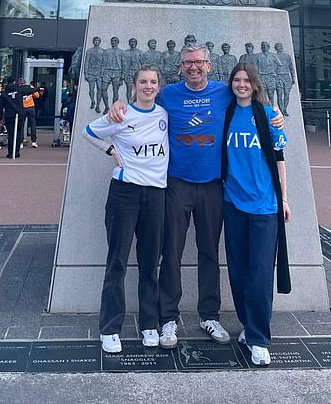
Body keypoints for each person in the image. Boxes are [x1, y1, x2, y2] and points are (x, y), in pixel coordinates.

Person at [109, 43, 284, 349]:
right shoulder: (169, 94)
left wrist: (275, 114)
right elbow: (143, 102)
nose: (193, 67)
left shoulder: (224, 92)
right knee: (171, 252)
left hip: (215, 186)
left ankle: (209, 314)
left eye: (199, 62)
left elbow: (250, 98)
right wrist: (118, 107)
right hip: (176, 184)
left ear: (209, 65)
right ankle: (168, 319)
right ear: (180, 67)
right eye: (188, 63)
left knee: (209, 252)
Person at [82, 66, 169, 354]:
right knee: (117, 262)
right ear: (133, 86)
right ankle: (110, 328)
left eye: (153, 82)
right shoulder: (120, 114)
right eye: (143, 82)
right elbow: (88, 132)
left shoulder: (164, 114)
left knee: (150, 263)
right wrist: (110, 152)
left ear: (159, 86)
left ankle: (149, 324)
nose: (148, 86)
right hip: (125, 194)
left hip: (156, 194)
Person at [221, 63, 291, 367]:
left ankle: (260, 338)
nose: (241, 84)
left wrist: (284, 198)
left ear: (255, 84)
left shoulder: (266, 115)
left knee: (261, 273)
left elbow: (279, 158)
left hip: (264, 205)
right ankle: (248, 326)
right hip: (233, 203)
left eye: (246, 80)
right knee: (238, 269)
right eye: (236, 80)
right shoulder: (226, 114)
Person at [0, 77, 35, 158]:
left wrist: (0, 118)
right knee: (18, 133)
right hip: (20, 115)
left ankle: (10, 152)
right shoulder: (19, 90)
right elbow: (30, 91)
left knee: (11, 134)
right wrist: (38, 89)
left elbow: (1, 107)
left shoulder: (4, 93)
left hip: (9, 115)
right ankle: (17, 151)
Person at [22, 82, 40, 148]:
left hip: (22, 107)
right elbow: (37, 95)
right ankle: (34, 141)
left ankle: (20, 141)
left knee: (21, 125)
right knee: (33, 124)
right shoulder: (30, 87)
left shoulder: (19, 88)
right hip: (30, 107)